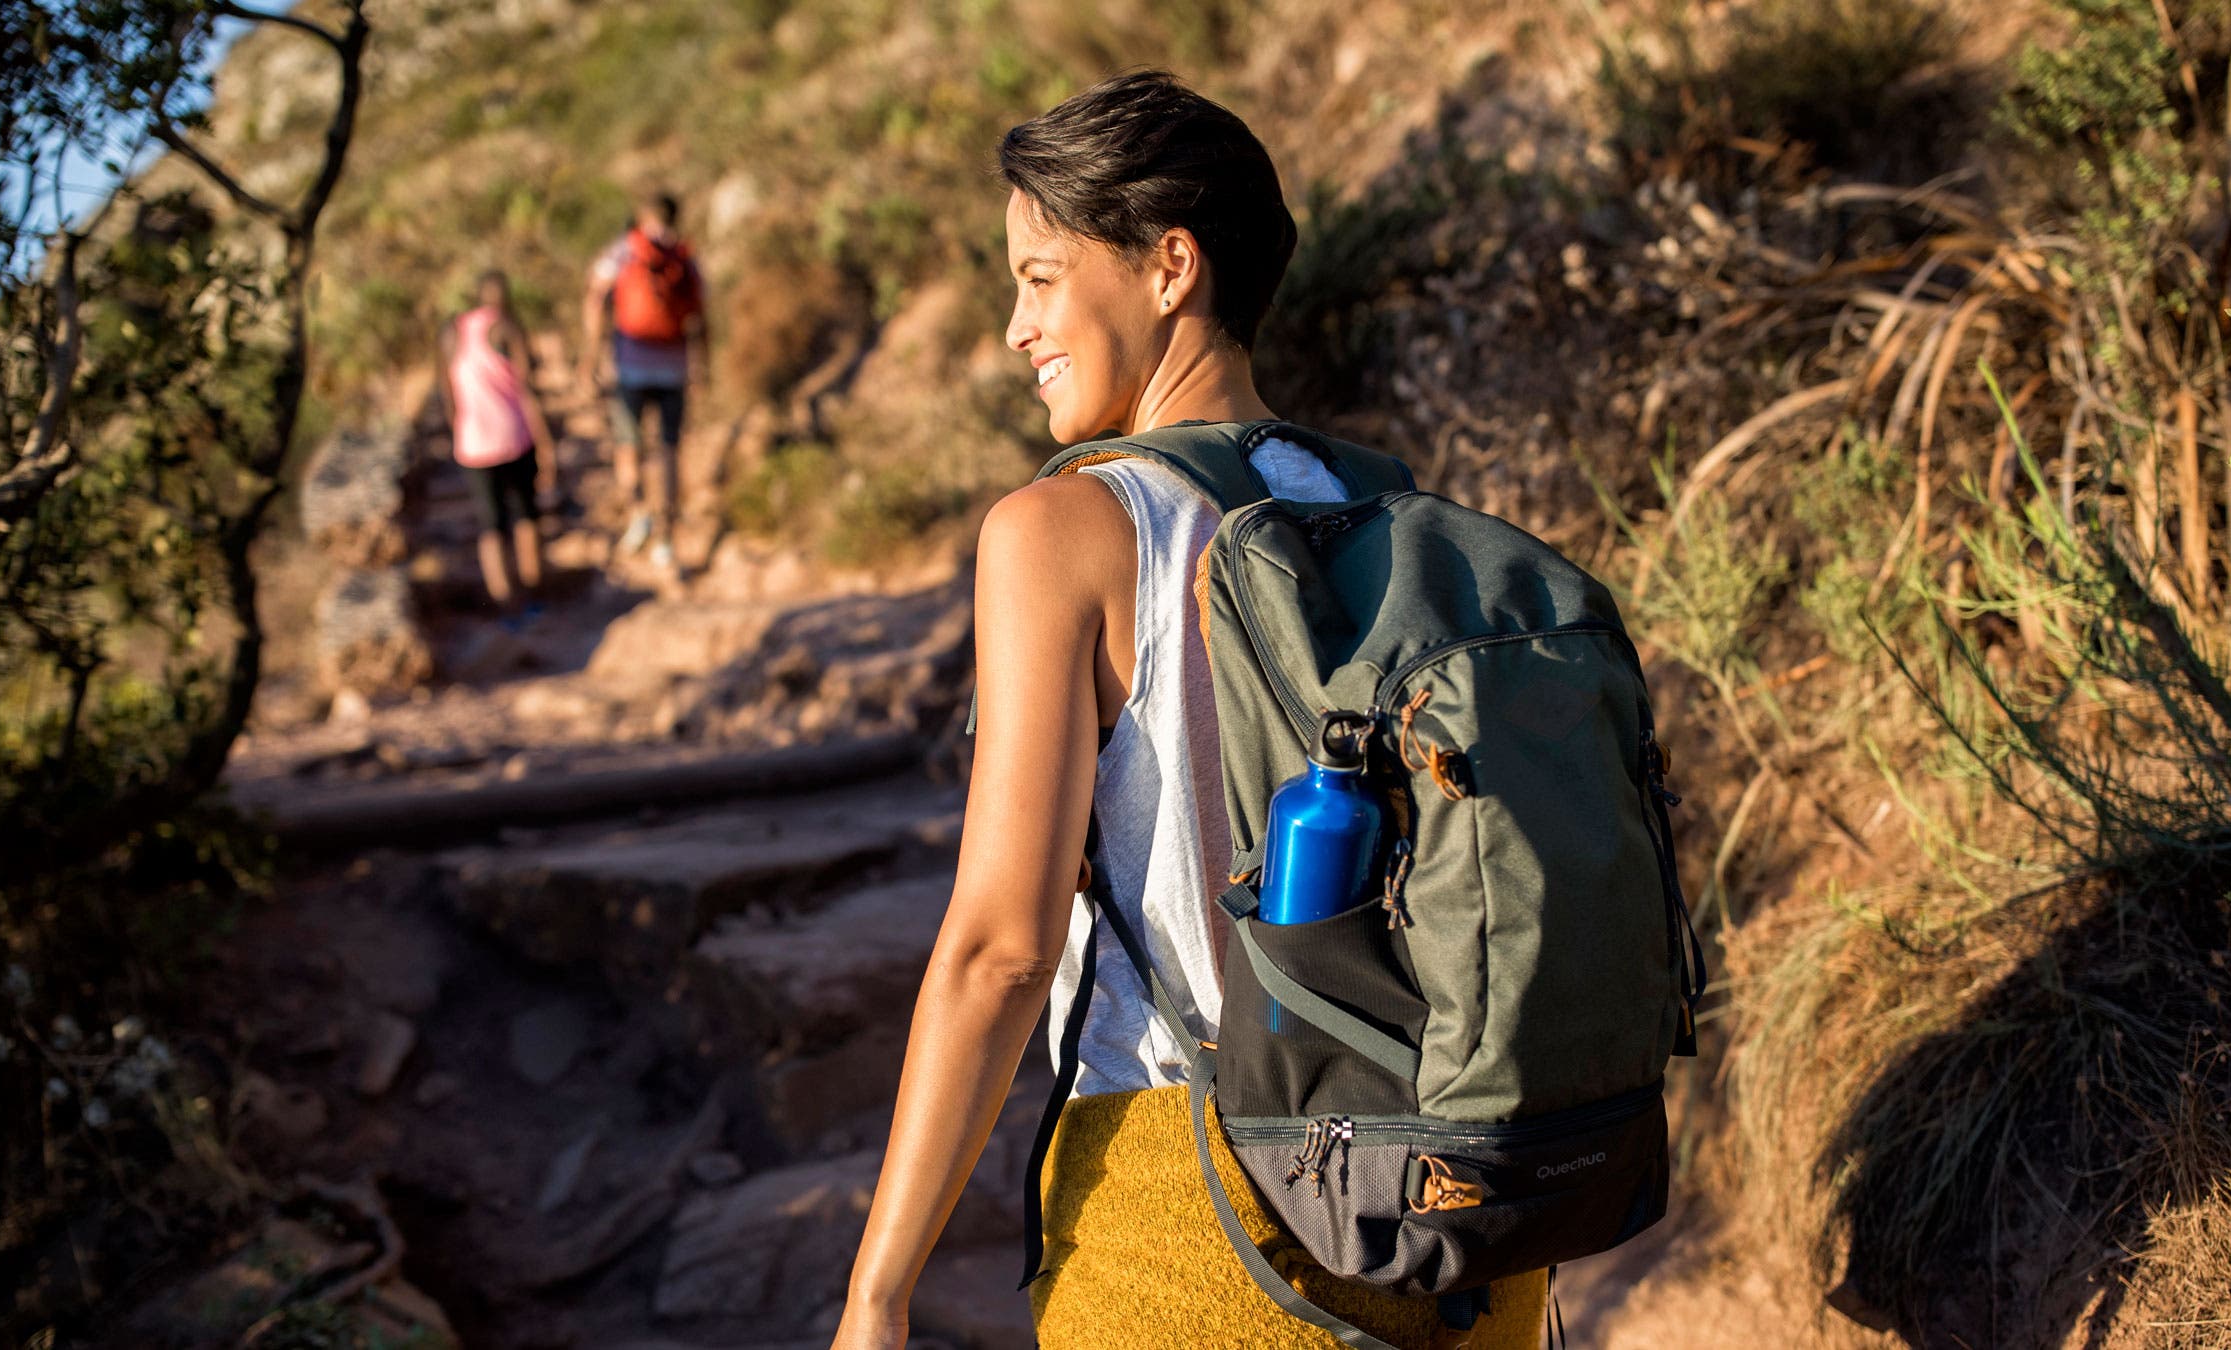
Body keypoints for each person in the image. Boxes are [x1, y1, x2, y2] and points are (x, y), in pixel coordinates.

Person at [833, 72, 1547, 1349]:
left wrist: (878, 1292)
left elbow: (1003, 949)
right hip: (1462, 1223)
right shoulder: (1389, 514)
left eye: (1041, 278)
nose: (1014, 326)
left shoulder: (1065, 531)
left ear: (1170, 267)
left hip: (1203, 1222)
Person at [579, 189, 706, 573]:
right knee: (669, 452)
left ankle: (639, 514)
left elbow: (595, 297)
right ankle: (665, 541)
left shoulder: (625, 250)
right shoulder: (685, 257)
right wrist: (703, 365)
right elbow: (701, 316)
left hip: (631, 368)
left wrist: (591, 354)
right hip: (674, 367)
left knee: (628, 447)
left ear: (643, 215)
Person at [439, 268, 557, 621]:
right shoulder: (507, 327)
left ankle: (506, 604)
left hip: (473, 445)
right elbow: (527, 389)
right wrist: (546, 442)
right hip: (515, 438)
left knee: (491, 525)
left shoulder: (452, 332)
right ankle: (532, 595)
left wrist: (459, 430)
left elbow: (447, 394)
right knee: (525, 516)